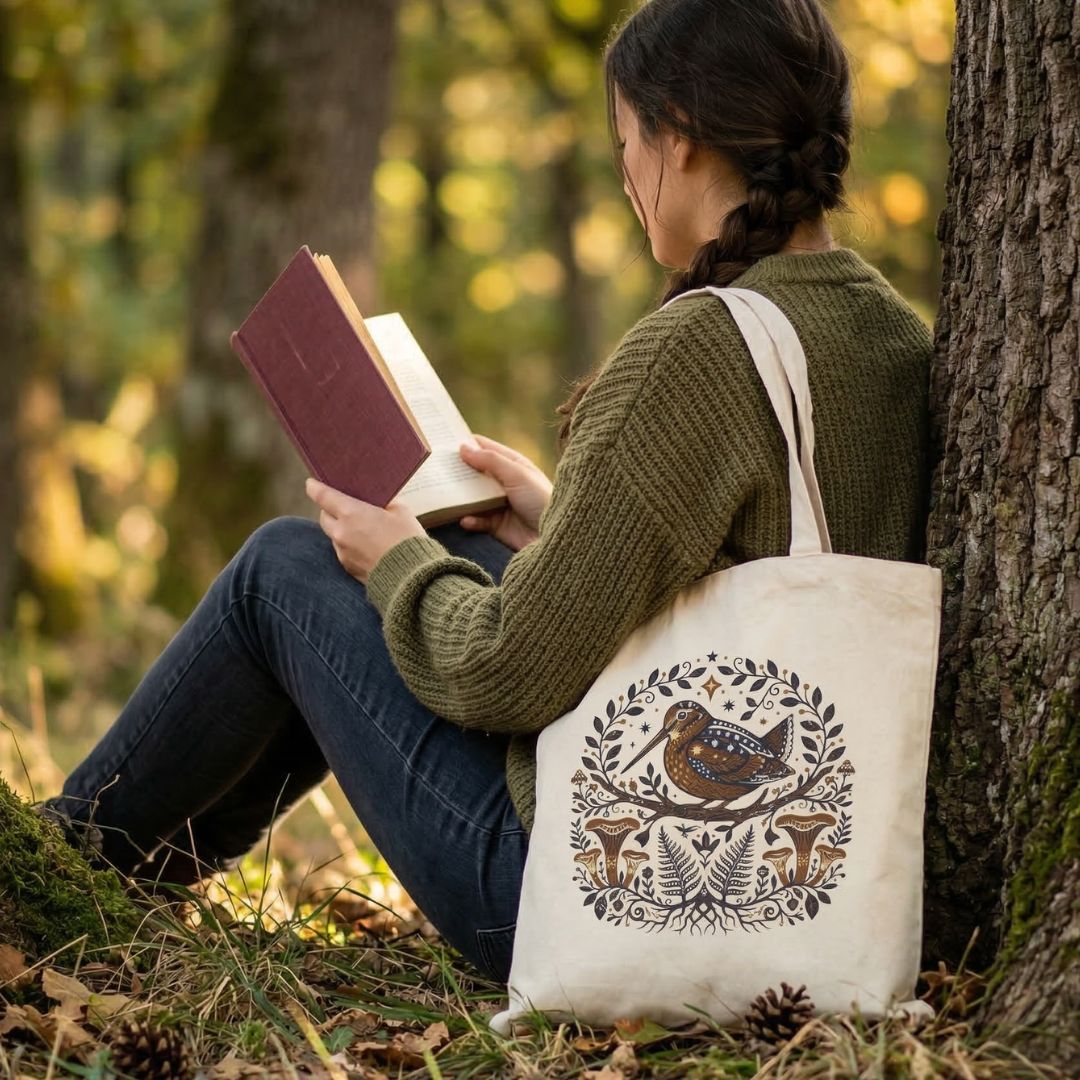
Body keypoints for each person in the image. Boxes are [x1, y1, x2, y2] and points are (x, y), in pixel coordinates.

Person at [38, 0, 932, 986]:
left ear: (677, 137)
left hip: (587, 892)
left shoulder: (695, 351)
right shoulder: (894, 336)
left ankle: (56, 877)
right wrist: (556, 516)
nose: (625, 172)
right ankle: (118, 897)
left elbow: (509, 673)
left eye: (626, 139)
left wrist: (398, 560)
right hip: (810, 877)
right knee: (447, 560)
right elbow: (773, 568)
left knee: (281, 574)